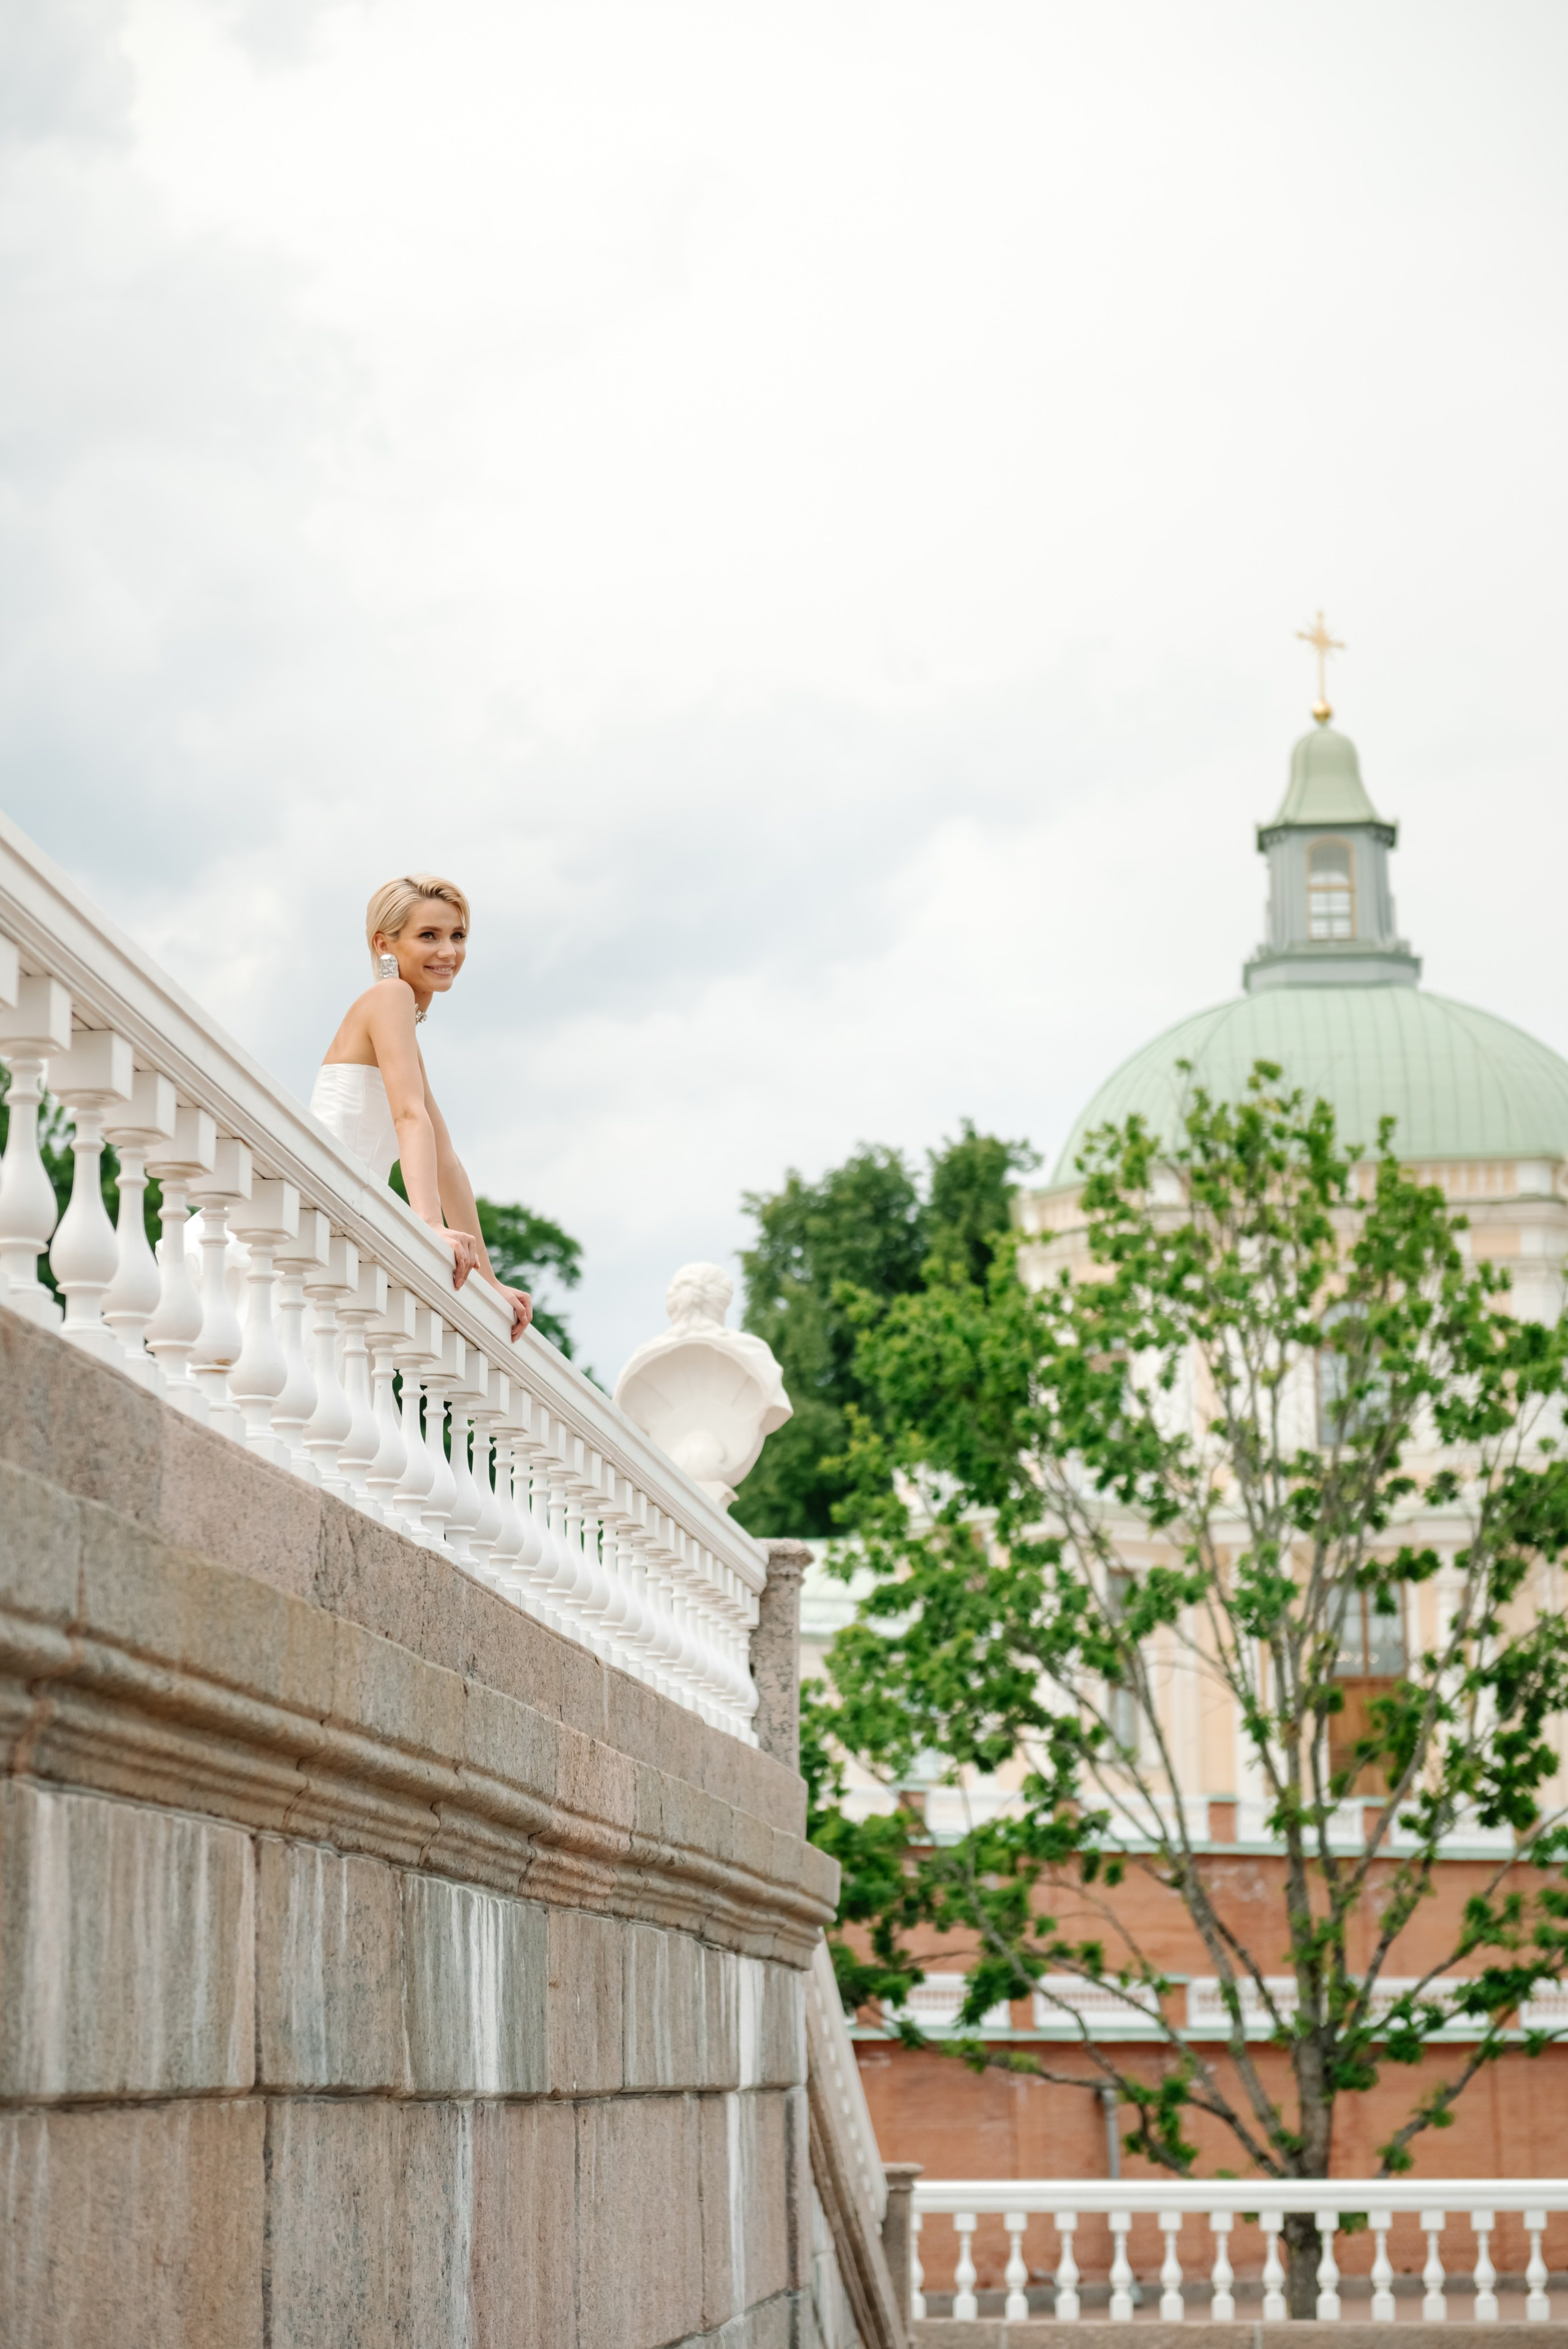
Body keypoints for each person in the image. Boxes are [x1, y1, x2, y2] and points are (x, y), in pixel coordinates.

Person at [310, 875, 533, 1341]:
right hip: (320, 1202)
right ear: (383, 943)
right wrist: (429, 1225)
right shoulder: (390, 997)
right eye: (428, 936)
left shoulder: (404, 1028)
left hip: (339, 1210)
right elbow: (408, 1116)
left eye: (458, 936)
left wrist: (489, 1283)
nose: (448, 952)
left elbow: (445, 1160)